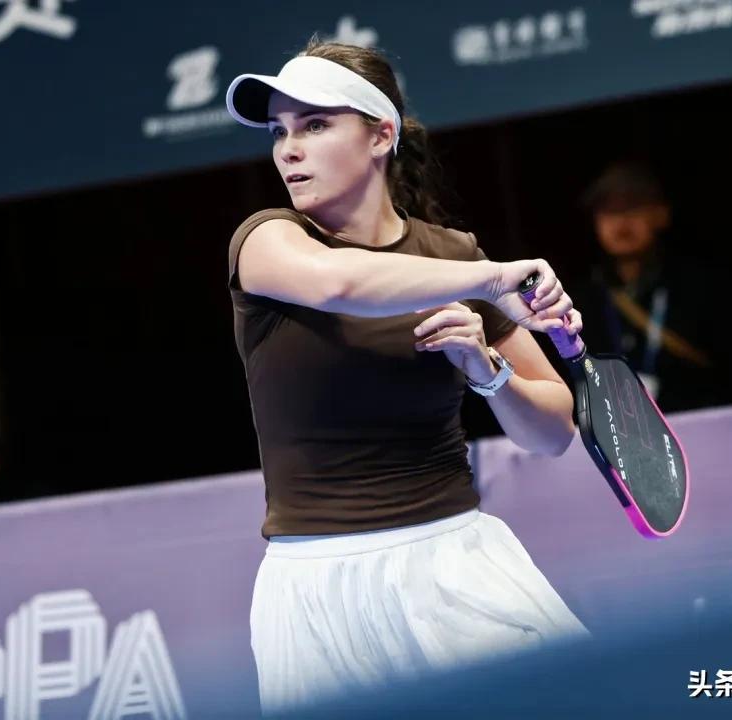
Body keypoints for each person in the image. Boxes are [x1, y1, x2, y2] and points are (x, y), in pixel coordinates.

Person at [225, 39, 591, 715]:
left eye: (314, 125)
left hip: (455, 561)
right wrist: (492, 279)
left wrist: (490, 373)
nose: (289, 150)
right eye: (279, 132)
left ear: (380, 135)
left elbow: (553, 433)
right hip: (314, 587)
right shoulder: (267, 240)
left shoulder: (452, 255)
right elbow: (338, 283)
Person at [573, 161, 725, 411]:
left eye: (633, 207)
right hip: (617, 426)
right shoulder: (582, 299)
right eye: (609, 211)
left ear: (661, 214)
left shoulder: (705, 289)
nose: (621, 222)